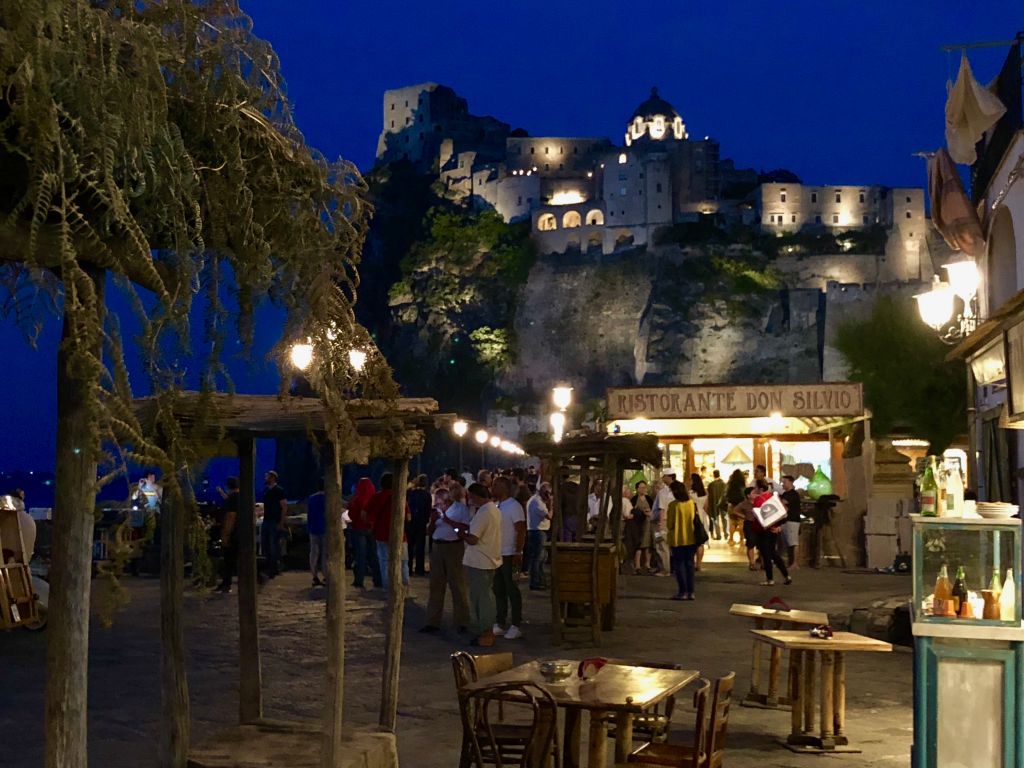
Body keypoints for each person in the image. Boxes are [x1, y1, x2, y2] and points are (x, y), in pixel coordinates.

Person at [420, 485, 471, 633]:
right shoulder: (435, 512)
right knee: (436, 585)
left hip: (454, 547)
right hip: (437, 547)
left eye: (438, 501)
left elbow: (465, 528)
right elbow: (428, 532)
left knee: (457, 584)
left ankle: (462, 621)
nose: (436, 504)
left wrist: (447, 520)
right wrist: (433, 522)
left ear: (447, 499)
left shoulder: (460, 509)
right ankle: (432, 621)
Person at [458, 482, 502, 647]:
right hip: (487, 559)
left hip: (481, 561)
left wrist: (462, 534)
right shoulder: (494, 510)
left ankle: (486, 632)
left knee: (481, 598)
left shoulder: (485, 512)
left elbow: (474, 539)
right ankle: (485, 630)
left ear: (476, 496)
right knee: (483, 596)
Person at [491, 475, 526, 640]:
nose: (493, 488)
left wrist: (518, 551)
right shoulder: (498, 506)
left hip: (510, 554)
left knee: (512, 588)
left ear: (504, 488)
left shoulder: (514, 506)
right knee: (499, 588)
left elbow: (520, 529)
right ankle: (500, 621)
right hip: (497, 555)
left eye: (496, 485)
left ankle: (516, 623)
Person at [370, 473, 410, 589]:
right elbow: (408, 517)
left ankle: (387, 586)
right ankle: (404, 586)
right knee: (402, 561)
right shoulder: (400, 496)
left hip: (381, 534)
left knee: (384, 562)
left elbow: (365, 514)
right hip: (400, 535)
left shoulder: (376, 497)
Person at [665, 481, 698, 600]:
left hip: (677, 539)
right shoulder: (691, 503)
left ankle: (682, 592)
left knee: (679, 565)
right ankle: (691, 592)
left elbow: (670, 524)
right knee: (690, 565)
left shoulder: (673, 505)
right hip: (691, 538)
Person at [346, 477, 380, 589]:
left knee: (360, 555)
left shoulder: (356, 499)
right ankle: (378, 579)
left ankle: (359, 580)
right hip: (372, 530)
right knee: (374, 555)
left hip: (358, 529)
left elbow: (351, 514)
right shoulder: (375, 499)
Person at [754, 491, 792, 587]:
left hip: (763, 530)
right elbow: (783, 512)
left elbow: (758, 515)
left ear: (760, 488)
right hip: (773, 530)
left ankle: (770, 579)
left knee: (766, 555)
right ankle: (786, 575)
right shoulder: (774, 497)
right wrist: (778, 526)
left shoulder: (759, 499)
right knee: (773, 553)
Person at [260, 470, 289, 578]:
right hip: (266, 520)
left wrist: (281, 522)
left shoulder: (279, 490)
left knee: (274, 545)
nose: (265, 478)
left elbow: (284, 506)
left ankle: (274, 568)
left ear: (272, 478)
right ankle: (268, 567)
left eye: (267, 476)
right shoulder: (266, 490)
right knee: (266, 544)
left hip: (274, 521)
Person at [524, 481, 552, 590]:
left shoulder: (536, 500)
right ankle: (535, 582)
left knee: (540, 558)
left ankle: (540, 580)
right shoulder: (537, 502)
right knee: (537, 558)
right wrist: (551, 503)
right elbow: (549, 515)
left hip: (536, 531)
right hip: (538, 531)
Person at [216, 477, 240, 593]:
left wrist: (226, 534)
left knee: (228, 559)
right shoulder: (240, 497)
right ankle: (226, 582)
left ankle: (226, 583)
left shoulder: (232, 499)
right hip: (240, 532)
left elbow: (231, 516)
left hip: (233, 533)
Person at [406, 474, 432, 577]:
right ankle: (419, 569)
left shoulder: (410, 493)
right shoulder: (427, 495)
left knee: (410, 546)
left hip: (410, 522)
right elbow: (428, 510)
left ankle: (408, 568)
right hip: (421, 522)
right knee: (420, 546)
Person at [650, 473, 676, 576]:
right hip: (667, 521)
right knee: (663, 545)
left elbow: (662, 509)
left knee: (661, 545)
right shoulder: (672, 492)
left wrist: (661, 524)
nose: (654, 489)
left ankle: (665, 569)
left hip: (660, 523)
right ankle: (665, 567)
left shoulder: (663, 493)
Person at [626, 480, 654, 574]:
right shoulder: (634, 499)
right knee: (639, 544)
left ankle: (647, 564)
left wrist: (649, 512)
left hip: (648, 523)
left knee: (648, 544)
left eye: (644, 488)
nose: (643, 490)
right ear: (637, 489)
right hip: (637, 524)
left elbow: (653, 510)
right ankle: (637, 564)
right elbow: (631, 511)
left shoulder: (649, 499)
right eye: (641, 488)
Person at [732, 486, 760, 570]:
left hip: (759, 524)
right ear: (748, 495)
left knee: (761, 543)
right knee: (750, 543)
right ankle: (752, 563)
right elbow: (735, 510)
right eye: (753, 493)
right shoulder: (744, 503)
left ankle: (762, 562)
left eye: (756, 492)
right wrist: (744, 516)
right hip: (749, 524)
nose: (756, 494)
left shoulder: (759, 502)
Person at [779, 475, 803, 569]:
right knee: (788, 542)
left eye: (784, 482)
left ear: (790, 482)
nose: (783, 484)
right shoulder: (785, 493)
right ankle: (791, 562)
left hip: (793, 520)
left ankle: (795, 563)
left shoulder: (793, 494)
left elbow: (783, 503)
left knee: (793, 542)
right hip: (785, 521)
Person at [306, 481, 327, 587]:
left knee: (314, 553)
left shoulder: (311, 498)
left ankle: (314, 575)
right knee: (325, 554)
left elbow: (309, 514)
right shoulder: (328, 499)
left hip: (313, 529)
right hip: (325, 529)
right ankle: (325, 576)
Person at [689, 473, 709, 571]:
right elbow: (706, 507)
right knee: (700, 543)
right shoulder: (705, 492)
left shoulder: (690, 493)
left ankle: (692, 563)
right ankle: (699, 564)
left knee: (692, 542)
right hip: (703, 517)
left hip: (693, 517)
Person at [724, 469, 747, 546]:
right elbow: (745, 495)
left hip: (731, 505)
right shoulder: (742, 484)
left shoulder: (730, 485)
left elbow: (726, 495)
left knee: (732, 522)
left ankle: (731, 539)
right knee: (741, 522)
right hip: (741, 505)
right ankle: (741, 539)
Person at [706, 470, 727, 540]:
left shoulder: (711, 485)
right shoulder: (724, 484)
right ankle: (726, 534)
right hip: (723, 504)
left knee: (716, 519)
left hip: (714, 504)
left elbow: (709, 496)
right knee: (724, 519)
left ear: (713, 475)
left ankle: (718, 535)